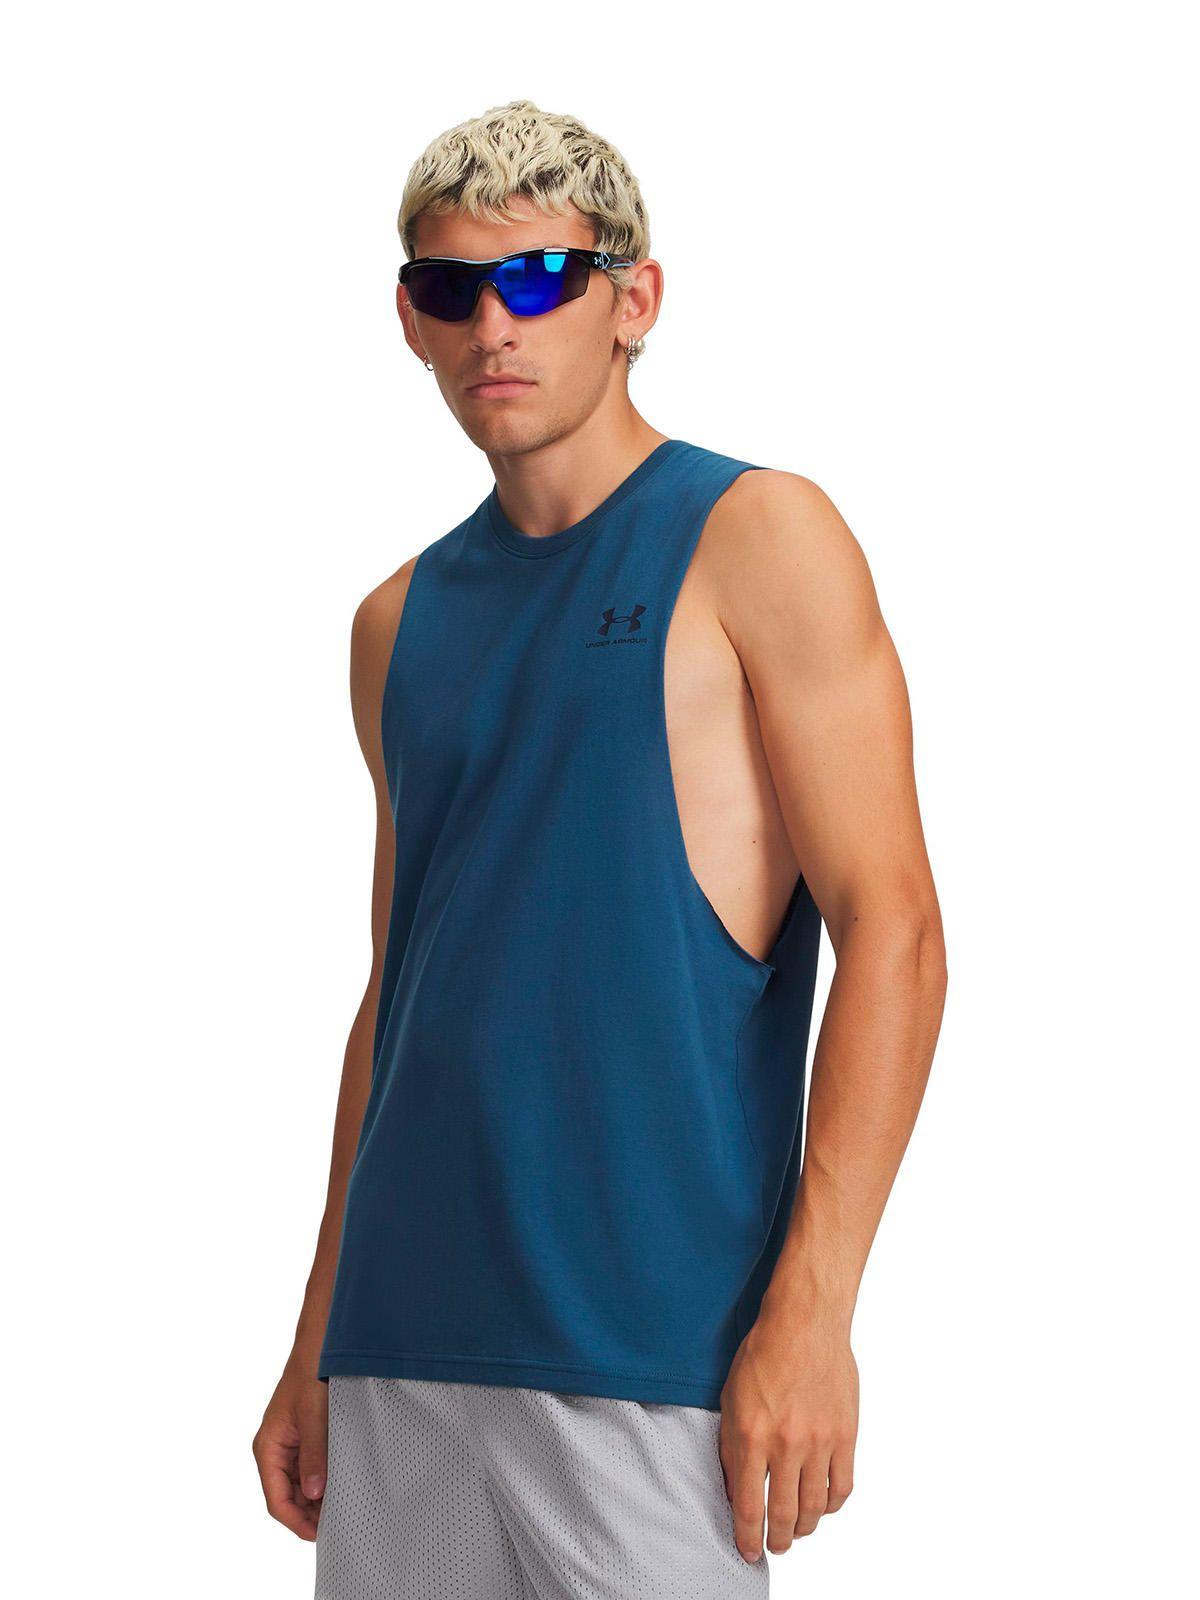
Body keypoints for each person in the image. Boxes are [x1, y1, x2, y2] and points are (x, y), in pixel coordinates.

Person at [253, 98, 947, 1599]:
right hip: (401, 1351)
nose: (495, 324)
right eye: (453, 287)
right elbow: (399, 998)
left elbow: (894, 929)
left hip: (648, 1351)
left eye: (539, 278)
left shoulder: (759, 536)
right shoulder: (394, 621)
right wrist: (317, 1335)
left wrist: (816, 1311)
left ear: (633, 300)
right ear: (410, 321)